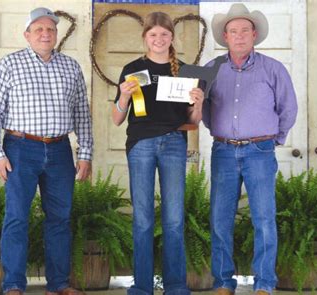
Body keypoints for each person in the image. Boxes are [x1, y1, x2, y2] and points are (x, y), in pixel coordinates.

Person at [0, 7, 92, 295]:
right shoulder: (9, 64)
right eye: (39, 29)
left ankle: (58, 285)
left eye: (50, 29)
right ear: (27, 35)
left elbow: (82, 113)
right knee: (17, 217)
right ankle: (14, 285)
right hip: (19, 149)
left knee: (59, 218)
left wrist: (85, 153)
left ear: (56, 35)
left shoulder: (71, 67)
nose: (45, 34)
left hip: (59, 151)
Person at [202, 4, 298, 295]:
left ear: (254, 34)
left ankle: (265, 284)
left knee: (264, 219)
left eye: (245, 30)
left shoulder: (273, 68)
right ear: (225, 36)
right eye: (233, 31)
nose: (239, 35)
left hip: (260, 151)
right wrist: (217, 131)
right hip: (223, 153)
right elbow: (201, 106)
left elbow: (288, 108)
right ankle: (222, 283)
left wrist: (274, 140)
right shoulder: (211, 69)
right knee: (220, 219)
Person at [113, 11, 204, 295]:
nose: (159, 39)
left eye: (164, 34)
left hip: (175, 144)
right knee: (142, 219)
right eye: (153, 34)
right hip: (140, 145)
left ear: (172, 38)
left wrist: (199, 103)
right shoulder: (132, 68)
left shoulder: (188, 71)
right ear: (145, 38)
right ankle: (141, 287)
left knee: (174, 218)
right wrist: (124, 96)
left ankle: (176, 286)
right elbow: (117, 119)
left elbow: (194, 119)